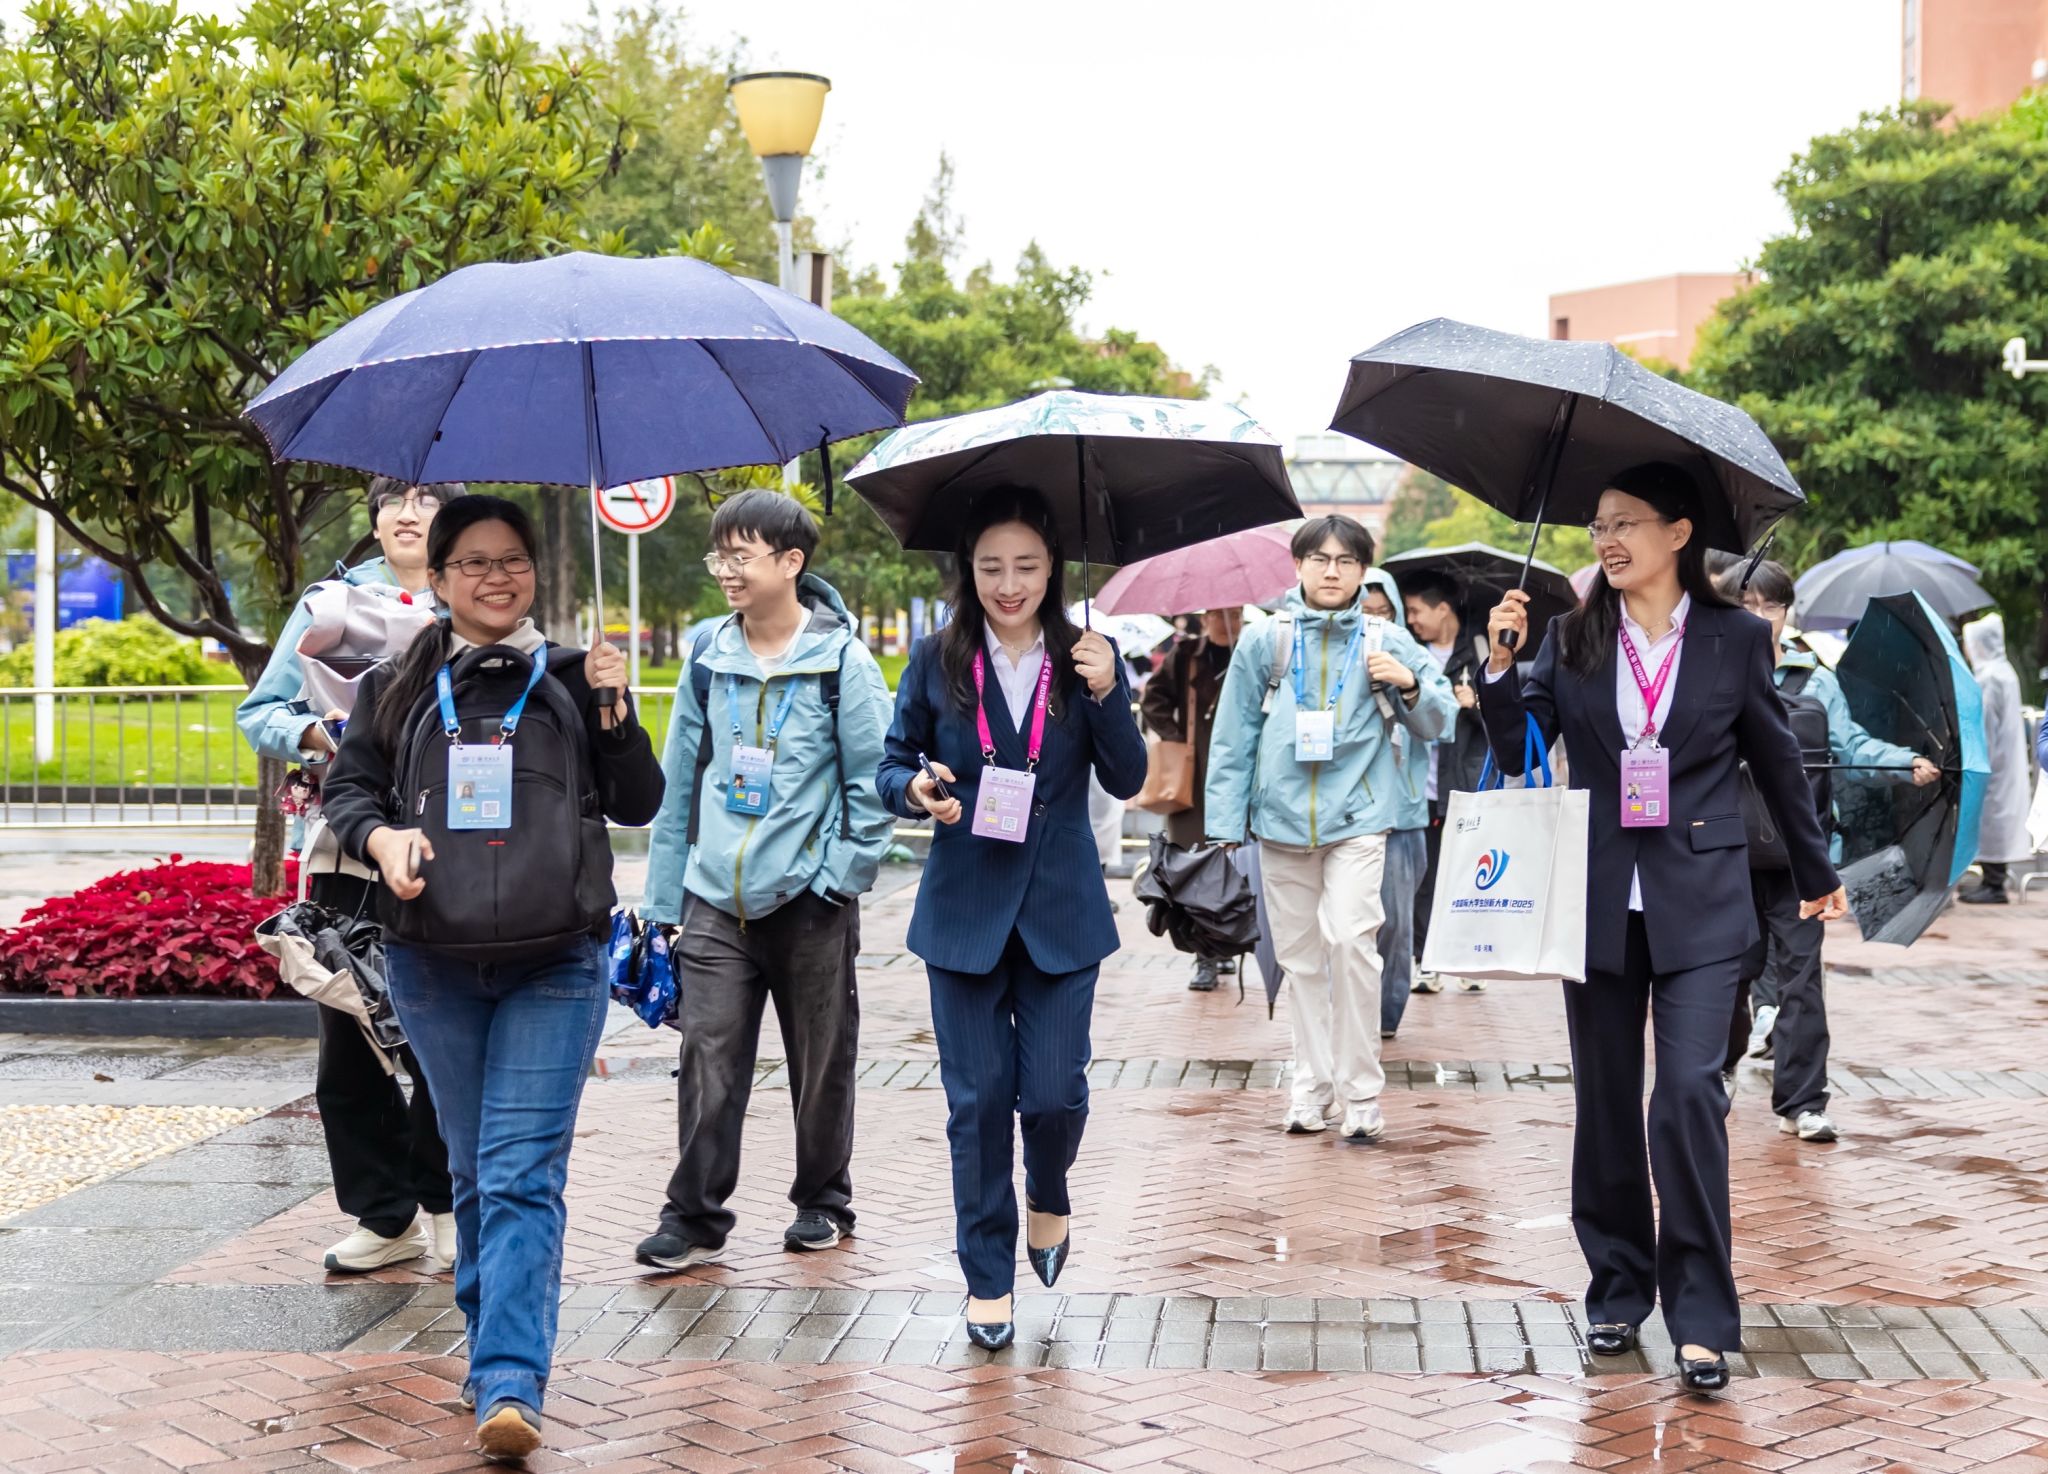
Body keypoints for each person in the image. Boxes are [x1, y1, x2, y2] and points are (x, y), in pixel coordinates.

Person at [1480, 462, 1846, 1394]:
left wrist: (1816, 874)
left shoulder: (1733, 637)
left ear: (1678, 533)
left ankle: (1703, 1316)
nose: (1606, 540)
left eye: (1624, 523)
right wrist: (1501, 669)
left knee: (1687, 1094)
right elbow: (1519, 746)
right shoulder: (1570, 635)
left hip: (1705, 898)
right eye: (1597, 526)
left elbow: (1776, 756)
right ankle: (1615, 1289)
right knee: (1606, 1102)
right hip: (1599, 896)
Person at [321, 495, 664, 1462]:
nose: (495, 577)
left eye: (512, 559)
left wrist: (616, 711)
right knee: (475, 1171)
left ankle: (511, 1379)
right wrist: (381, 839)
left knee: (519, 1172)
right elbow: (349, 791)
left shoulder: (574, 677)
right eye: (471, 562)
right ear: (436, 579)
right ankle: (490, 1352)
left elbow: (639, 800)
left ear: (536, 572)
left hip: (556, 960)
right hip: (432, 962)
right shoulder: (396, 683)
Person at [877, 486, 1146, 1351]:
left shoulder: (1089, 656)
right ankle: (987, 1279)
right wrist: (917, 791)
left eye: (1026, 566)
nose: (1008, 584)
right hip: (964, 909)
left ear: (1053, 568)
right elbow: (892, 763)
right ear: (968, 568)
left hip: (1061, 910)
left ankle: (1048, 1191)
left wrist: (1108, 694)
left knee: (1055, 1093)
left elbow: (1128, 778)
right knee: (979, 1102)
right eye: (991, 566)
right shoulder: (937, 657)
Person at [635, 489, 894, 1270]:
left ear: (790, 562)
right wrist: (664, 898)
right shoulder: (708, 655)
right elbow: (681, 781)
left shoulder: (842, 663)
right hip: (715, 899)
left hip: (810, 901)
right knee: (707, 1061)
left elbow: (872, 784)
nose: (726, 570)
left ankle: (824, 1202)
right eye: (719, 555)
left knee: (820, 1065)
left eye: (740, 555)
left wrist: (838, 878)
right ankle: (693, 1217)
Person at [234, 477, 458, 1276]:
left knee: (441, 1032)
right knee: (349, 1037)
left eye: (426, 501)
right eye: (394, 501)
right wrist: (320, 734)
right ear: (375, 519)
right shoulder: (332, 604)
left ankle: (446, 1203)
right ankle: (384, 1215)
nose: (408, 513)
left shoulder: (474, 599)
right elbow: (261, 712)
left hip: (446, 846)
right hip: (343, 844)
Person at [1205, 516, 1455, 1141]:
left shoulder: (1386, 638)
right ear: (1298, 566)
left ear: (1364, 571)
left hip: (1360, 821)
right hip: (1280, 824)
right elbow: (1233, 737)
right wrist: (1225, 822)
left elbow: (1441, 720)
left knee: (1351, 944)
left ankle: (1361, 1095)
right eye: (1319, 559)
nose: (1332, 571)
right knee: (1301, 962)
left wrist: (1410, 684)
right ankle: (1311, 1087)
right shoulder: (1265, 641)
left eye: (1346, 561)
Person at [1718, 560, 1937, 1142]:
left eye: (1771, 605)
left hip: (1801, 857)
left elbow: (1850, 747)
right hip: (1724, 851)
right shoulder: (1704, 668)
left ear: (1787, 612)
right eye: (1747, 605)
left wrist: (1904, 762)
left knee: (1801, 979)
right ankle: (1718, 1068)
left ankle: (1802, 1102)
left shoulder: (1814, 680)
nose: (1759, 617)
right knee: (1727, 973)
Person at [1139, 606, 1244, 990]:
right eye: (1221, 613)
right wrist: (1177, 738)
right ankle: (1204, 957)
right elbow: (1153, 699)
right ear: (1206, 616)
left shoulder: (1251, 651)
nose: (1230, 620)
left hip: (1242, 776)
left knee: (1237, 867)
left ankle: (1228, 946)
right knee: (1194, 867)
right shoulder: (1186, 654)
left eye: (1237, 613)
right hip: (1194, 779)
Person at [1399, 569, 1491, 997]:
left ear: (1442, 609)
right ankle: (1425, 962)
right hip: (1422, 787)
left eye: (1416, 611)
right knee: (1425, 879)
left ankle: (1468, 959)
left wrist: (1475, 706)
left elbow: (1508, 725)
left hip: (1466, 786)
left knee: (1470, 877)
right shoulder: (1409, 656)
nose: (1411, 620)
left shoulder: (1481, 652)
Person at [1360, 570, 1433, 1040]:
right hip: (1344, 813)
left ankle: (1386, 1011)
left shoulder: (1410, 653)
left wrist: (1409, 685)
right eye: (1365, 613)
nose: (1375, 622)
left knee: (1394, 921)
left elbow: (1441, 720)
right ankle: (1344, 1011)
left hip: (1402, 815)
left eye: (1383, 613)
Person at [1962, 611, 2032, 903]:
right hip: (2005, 757)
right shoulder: (2005, 672)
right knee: (1996, 817)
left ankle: (1994, 885)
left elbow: (1986, 722)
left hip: (1993, 757)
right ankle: (1993, 880)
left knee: (1992, 817)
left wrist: (1978, 757)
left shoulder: (1989, 677)